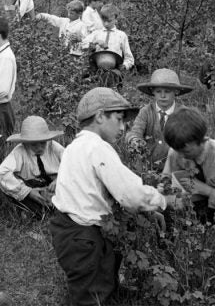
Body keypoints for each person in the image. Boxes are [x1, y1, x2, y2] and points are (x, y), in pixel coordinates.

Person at [50, 87, 167, 306]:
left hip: (70, 229)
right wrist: (161, 200)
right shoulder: (98, 147)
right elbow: (130, 195)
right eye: (120, 119)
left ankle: (110, 291)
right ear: (100, 116)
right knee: (90, 297)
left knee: (101, 277)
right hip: (82, 235)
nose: (123, 128)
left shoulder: (75, 146)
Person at [162, 107, 215, 232]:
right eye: (178, 151)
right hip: (198, 215)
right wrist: (165, 186)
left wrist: (207, 191)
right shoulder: (177, 149)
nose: (181, 156)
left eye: (186, 151)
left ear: (202, 141)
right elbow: (166, 176)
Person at [0, 116, 64, 215]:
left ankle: (54, 207)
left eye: (43, 143)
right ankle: (35, 210)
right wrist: (27, 192)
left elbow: (73, 166)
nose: (39, 148)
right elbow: (0, 174)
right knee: (32, 208)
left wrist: (59, 180)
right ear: (25, 143)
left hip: (55, 186)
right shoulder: (20, 151)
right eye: (34, 144)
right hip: (31, 187)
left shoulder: (54, 147)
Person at [126, 69, 193, 165]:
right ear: (152, 92)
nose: (162, 95)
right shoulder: (146, 111)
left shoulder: (183, 113)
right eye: (158, 91)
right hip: (147, 165)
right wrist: (135, 140)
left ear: (176, 91)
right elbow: (135, 131)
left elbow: (191, 140)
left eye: (167, 91)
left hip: (175, 165)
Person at [81, 4, 134, 73]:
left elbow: (129, 57)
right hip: (97, 69)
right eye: (103, 21)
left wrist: (124, 66)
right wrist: (94, 43)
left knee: (112, 78)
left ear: (116, 19)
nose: (106, 24)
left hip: (115, 69)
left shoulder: (121, 35)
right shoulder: (96, 33)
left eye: (109, 21)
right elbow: (82, 45)